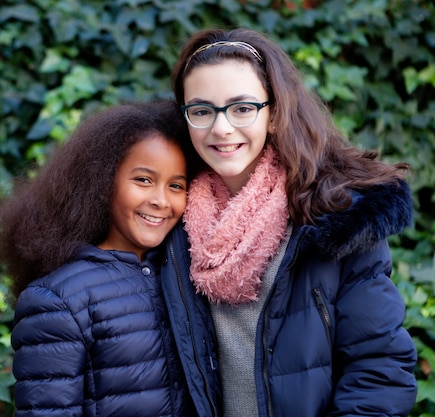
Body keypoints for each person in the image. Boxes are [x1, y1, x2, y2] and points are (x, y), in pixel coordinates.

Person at [160, 28, 418, 417]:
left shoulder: (333, 219)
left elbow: (380, 370)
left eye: (242, 108)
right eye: (202, 110)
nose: (221, 128)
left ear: (275, 114)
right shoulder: (169, 218)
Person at [0, 100, 198, 416]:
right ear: (103, 184)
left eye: (176, 186)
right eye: (143, 180)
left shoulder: (184, 274)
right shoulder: (57, 299)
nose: (160, 200)